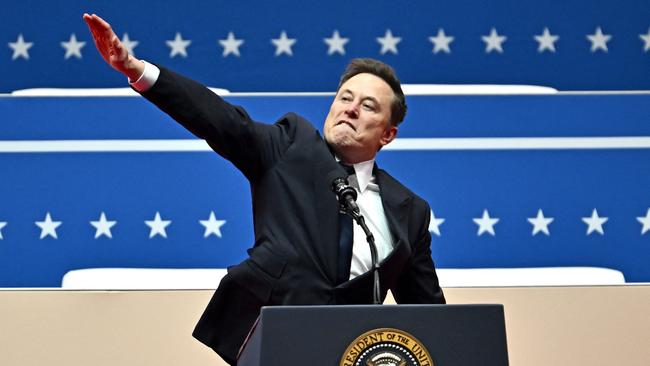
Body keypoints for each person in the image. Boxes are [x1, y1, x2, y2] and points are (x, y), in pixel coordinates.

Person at [83, 13, 445, 365]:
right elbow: (220, 119)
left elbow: (431, 316)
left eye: (367, 106)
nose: (350, 110)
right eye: (345, 98)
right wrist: (136, 69)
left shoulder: (410, 211)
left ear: (388, 134)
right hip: (272, 342)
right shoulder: (291, 147)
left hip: (350, 352)